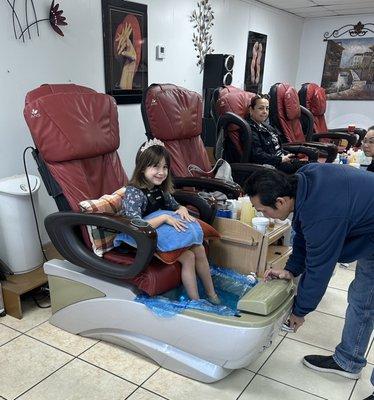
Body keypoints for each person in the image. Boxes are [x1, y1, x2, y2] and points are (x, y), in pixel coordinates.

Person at [244, 164, 374, 399]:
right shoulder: (304, 179)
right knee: (363, 298)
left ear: (281, 202)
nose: (264, 216)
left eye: (263, 210)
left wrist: (300, 310)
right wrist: (291, 269)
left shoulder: (323, 212)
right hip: (369, 227)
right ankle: (348, 361)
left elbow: (319, 267)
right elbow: (304, 231)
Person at [122, 138, 220, 304]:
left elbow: (175, 206)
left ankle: (212, 295)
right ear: (142, 168)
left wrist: (181, 209)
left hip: (158, 234)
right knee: (188, 257)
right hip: (139, 239)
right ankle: (196, 303)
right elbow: (134, 224)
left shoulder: (159, 188)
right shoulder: (134, 192)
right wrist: (165, 218)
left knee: (199, 248)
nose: (161, 172)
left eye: (165, 167)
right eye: (155, 166)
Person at [247, 94, 308, 174]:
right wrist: (281, 159)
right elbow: (257, 155)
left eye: (267, 108)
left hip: (281, 159)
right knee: (310, 170)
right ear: (251, 110)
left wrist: (287, 155)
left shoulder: (267, 127)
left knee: (311, 166)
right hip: (272, 166)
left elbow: (278, 146)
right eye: (261, 108)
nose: (265, 112)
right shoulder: (250, 129)